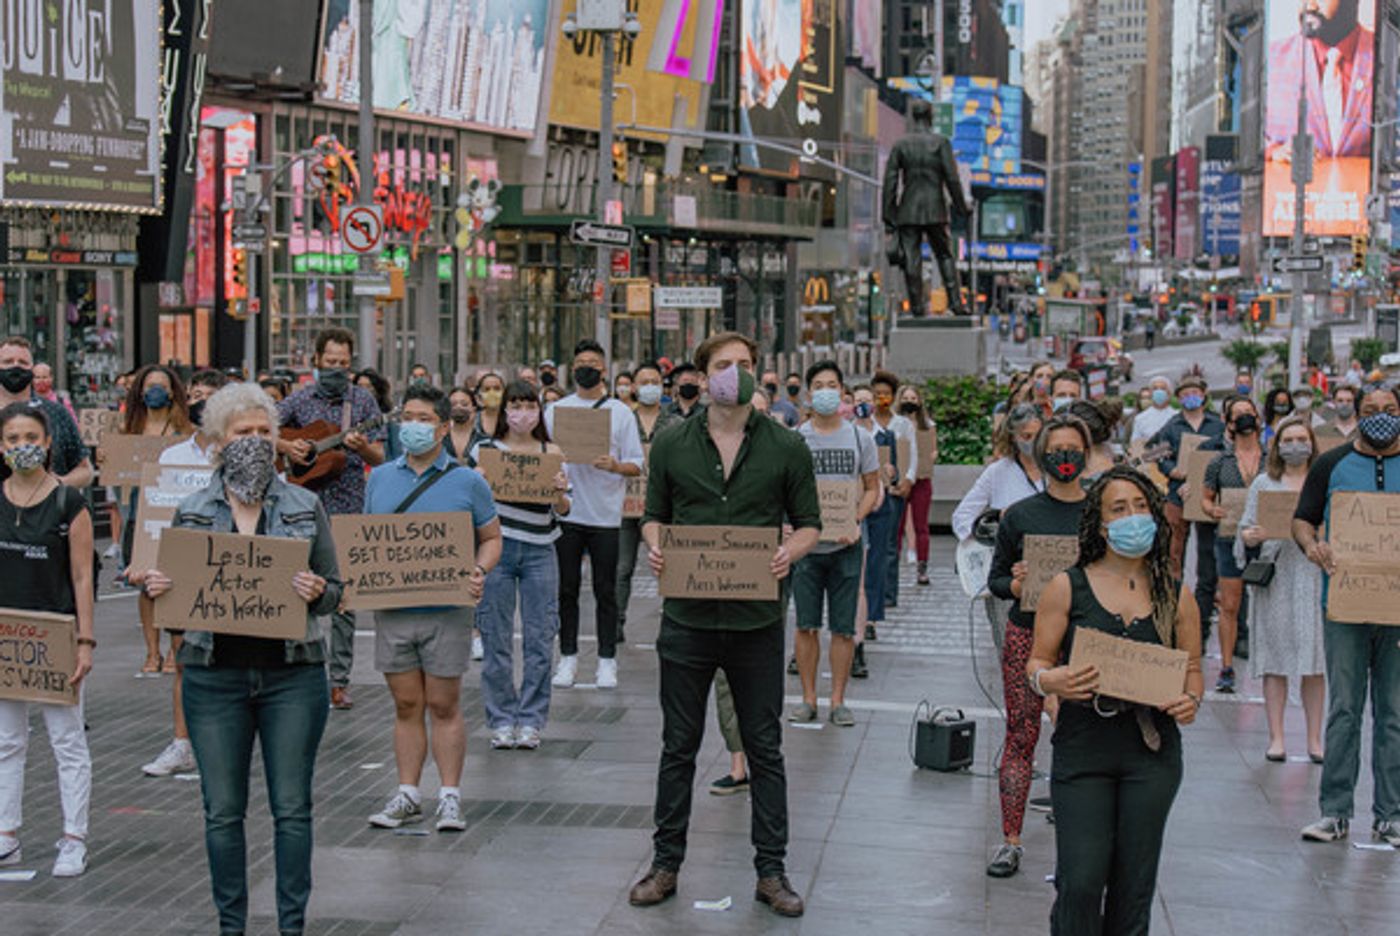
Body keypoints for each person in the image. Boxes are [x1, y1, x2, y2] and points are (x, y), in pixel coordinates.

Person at [138, 382, 343, 935]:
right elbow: (178, 611)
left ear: (276, 439)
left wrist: (314, 588)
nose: (253, 441)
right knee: (222, 812)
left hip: (293, 676)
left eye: (261, 432)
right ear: (216, 443)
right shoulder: (193, 509)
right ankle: (232, 926)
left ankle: (290, 926)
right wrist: (161, 590)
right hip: (214, 677)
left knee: (292, 809)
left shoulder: (304, 504)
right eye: (241, 433)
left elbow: (336, 593)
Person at [629, 331, 820, 917]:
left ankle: (771, 870)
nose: (732, 373)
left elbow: (809, 522)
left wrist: (793, 553)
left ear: (756, 373)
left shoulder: (786, 446)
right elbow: (653, 515)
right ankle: (665, 864)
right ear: (702, 374)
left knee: (765, 746)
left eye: (742, 365)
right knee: (678, 746)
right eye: (721, 365)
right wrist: (657, 545)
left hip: (757, 618)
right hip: (687, 618)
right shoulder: (670, 442)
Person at [1029, 466, 1204, 935]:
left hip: (1152, 752)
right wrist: (1051, 681)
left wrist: (1191, 700)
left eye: (1141, 507)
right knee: (1082, 879)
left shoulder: (1176, 595)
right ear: (1100, 523)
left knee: (1134, 884)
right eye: (1119, 509)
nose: (1132, 518)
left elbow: (1191, 668)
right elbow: (1036, 664)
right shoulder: (1068, 586)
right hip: (1084, 745)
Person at [363, 385, 501, 832]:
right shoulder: (381, 478)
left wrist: (479, 570)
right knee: (406, 703)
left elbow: (492, 537)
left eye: (423, 419)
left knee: (443, 703)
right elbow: (366, 542)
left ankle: (450, 796)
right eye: (408, 416)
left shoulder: (468, 481)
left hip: (447, 608)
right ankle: (407, 792)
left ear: (443, 427)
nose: (413, 425)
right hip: (394, 608)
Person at [984, 413, 1092, 879]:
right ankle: (1010, 839)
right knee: (1021, 735)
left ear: (1086, 454)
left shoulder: (1101, 514)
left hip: (1086, 640)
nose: (1064, 458)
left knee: (1083, 739)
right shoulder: (1021, 516)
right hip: (1027, 636)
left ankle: (1081, 840)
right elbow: (995, 581)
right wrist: (1015, 582)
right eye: (1056, 450)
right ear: (1042, 455)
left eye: (1073, 449)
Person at [1292, 383, 1400, 847]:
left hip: (1395, 609)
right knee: (1344, 710)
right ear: (1356, 414)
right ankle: (1334, 811)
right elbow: (1302, 518)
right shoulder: (1331, 464)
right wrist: (1311, 545)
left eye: (1390, 409)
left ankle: (1390, 814)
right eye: (1371, 410)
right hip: (1343, 606)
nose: (1381, 416)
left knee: (1394, 714)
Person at [0, 403, 96, 877]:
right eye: (13, 439)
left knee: (67, 740)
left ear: (48, 443)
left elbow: (82, 576)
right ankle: (5, 833)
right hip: (6, 640)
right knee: (6, 741)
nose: (23, 447)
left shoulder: (67, 503)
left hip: (55, 635)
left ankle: (74, 837)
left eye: (31, 438)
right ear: (1, 447)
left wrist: (86, 641)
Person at [276, 327, 385, 710]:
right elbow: (263, 431)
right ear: (317, 361)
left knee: (342, 597)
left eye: (343, 362)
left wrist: (363, 448)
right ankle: (294, 668)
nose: (337, 368)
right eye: (330, 361)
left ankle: (339, 680)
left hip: (347, 504)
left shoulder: (363, 402)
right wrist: (289, 445)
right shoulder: (299, 399)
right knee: (294, 585)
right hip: (299, 504)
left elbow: (381, 458)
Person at [471, 381, 570, 750]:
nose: (522, 412)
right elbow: (468, 501)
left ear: (539, 410)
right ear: (504, 410)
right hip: (496, 549)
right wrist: (477, 482)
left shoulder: (551, 451)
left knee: (540, 637)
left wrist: (559, 492)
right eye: (515, 404)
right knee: (494, 636)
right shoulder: (485, 451)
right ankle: (500, 719)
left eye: (529, 405)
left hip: (541, 550)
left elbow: (564, 509)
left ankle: (531, 719)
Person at [545, 340, 644, 690]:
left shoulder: (620, 412)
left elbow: (637, 464)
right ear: (572, 370)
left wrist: (614, 465)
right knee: (566, 590)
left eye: (593, 362)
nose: (586, 367)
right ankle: (568, 657)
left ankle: (606, 660)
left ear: (604, 370)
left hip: (605, 517)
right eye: (580, 362)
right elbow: (544, 454)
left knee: (606, 590)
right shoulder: (556, 411)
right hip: (567, 513)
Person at [790, 361, 880, 727]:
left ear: (842, 393)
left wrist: (855, 519)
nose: (825, 391)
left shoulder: (861, 438)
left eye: (832, 385)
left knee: (843, 629)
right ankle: (808, 698)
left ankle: (838, 700)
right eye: (819, 385)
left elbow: (873, 488)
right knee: (805, 625)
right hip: (807, 549)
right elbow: (784, 490)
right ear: (810, 394)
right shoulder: (795, 439)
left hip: (846, 545)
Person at [1237, 415, 1326, 763]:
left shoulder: (1323, 481)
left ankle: (1314, 739)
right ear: (1277, 445)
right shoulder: (1263, 483)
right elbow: (1244, 529)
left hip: (1312, 574)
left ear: (1311, 443)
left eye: (1300, 439)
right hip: (1275, 577)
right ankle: (1276, 737)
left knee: (1314, 659)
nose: (1294, 446)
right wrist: (1251, 536)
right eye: (1287, 440)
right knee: (1274, 658)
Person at [139, 408, 219, 780]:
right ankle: (183, 743)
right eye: (198, 398)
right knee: (184, 657)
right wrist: (144, 558)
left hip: (228, 573)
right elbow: (155, 513)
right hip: (183, 572)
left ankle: (220, 748)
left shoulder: (238, 453)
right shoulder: (172, 457)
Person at [120, 365, 194, 675]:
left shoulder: (186, 431)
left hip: (173, 512)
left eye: (161, 385)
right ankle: (152, 651)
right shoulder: (128, 430)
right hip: (141, 513)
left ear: (173, 391)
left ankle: (175, 650)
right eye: (149, 385)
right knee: (145, 584)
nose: (155, 391)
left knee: (175, 582)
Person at [1148, 374, 1226, 625]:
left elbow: (1227, 454)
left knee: (1208, 552)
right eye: (1184, 394)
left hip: (1207, 495)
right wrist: (1171, 470)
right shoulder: (1172, 426)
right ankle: (1173, 603)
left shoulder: (1217, 425)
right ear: (1178, 398)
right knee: (1173, 549)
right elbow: (1153, 451)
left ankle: (1204, 610)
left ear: (1203, 395)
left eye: (1195, 392)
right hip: (1177, 495)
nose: (1190, 397)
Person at [1202, 395, 1265, 693]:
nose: (1244, 418)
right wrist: (1211, 509)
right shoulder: (1219, 463)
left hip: (1267, 541)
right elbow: (1205, 497)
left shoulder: (1271, 460)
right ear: (1228, 424)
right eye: (1238, 415)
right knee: (1229, 603)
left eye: (1248, 413)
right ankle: (1226, 667)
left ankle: (1268, 661)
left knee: (1268, 603)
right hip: (1229, 539)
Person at [1266, 0, 1373, 160]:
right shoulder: (1271, 59)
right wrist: (1272, 153)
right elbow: (1245, 142)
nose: (1309, 5)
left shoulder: (1388, 56)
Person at [616, 362, 670, 645]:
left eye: (655, 381)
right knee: (622, 568)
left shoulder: (674, 422)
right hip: (626, 507)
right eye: (644, 381)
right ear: (634, 387)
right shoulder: (624, 420)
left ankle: (671, 624)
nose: (650, 386)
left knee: (667, 566)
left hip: (663, 511)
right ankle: (616, 622)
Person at [0, 337, 92, 488]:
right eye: (8, 362)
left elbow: (85, 470)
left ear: (32, 369)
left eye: (23, 362)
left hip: (47, 508)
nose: (15, 366)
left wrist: (57, 484)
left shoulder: (56, 413)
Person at [896, 384, 937, 585]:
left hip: (921, 480)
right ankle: (891, 567)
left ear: (919, 402)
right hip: (900, 481)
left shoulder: (928, 425)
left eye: (913, 398)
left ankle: (922, 567)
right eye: (906, 398)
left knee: (921, 526)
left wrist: (930, 458)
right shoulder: (895, 424)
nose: (910, 402)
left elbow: (933, 450)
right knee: (896, 526)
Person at [1130, 377, 1176, 444]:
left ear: (1169, 393)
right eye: (1155, 389)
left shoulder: (1177, 416)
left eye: (1163, 388)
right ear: (1151, 393)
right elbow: (1135, 444)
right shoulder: (1140, 418)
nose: (1159, 391)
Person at [444, 386, 483, 463]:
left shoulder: (485, 441)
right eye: (453, 404)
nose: (458, 407)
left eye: (464, 404)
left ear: (473, 409)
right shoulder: (439, 440)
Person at [476, 372, 506, 439]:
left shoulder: (512, 419)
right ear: (480, 394)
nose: (492, 393)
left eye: (497, 388)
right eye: (486, 389)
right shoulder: (473, 421)